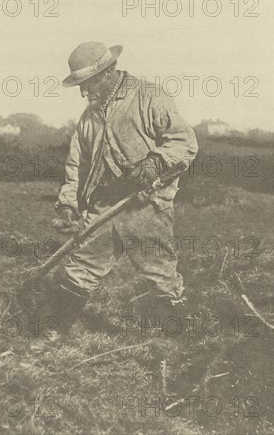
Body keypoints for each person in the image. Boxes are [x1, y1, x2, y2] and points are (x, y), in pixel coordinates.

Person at [47, 41, 198, 336]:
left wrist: (156, 162)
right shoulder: (88, 119)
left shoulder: (149, 96)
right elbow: (77, 167)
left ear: (107, 73)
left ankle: (180, 339)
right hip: (105, 205)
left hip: (146, 204)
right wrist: (68, 205)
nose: (83, 92)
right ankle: (54, 334)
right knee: (81, 268)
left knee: (160, 274)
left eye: (87, 83)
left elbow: (184, 141)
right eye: (79, 85)